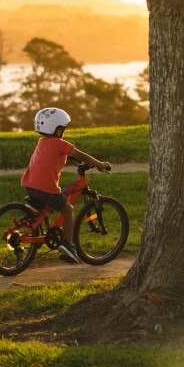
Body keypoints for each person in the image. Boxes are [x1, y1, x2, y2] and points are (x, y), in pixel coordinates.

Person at [23, 107, 111, 263]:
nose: (63, 131)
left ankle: (37, 233)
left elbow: (50, 158)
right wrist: (99, 164)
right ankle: (67, 245)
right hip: (46, 189)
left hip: (30, 185)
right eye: (63, 128)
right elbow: (79, 155)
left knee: (48, 206)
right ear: (57, 130)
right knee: (68, 209)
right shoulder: (60, 144)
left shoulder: (42, 142)